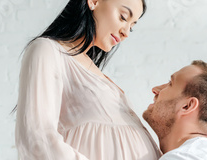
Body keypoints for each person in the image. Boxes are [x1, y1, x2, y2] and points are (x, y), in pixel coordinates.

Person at [14, 0, 161, 159]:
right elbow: (37, 136)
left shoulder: (96, 72)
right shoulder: (49, 50)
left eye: (131, 27)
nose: (126, 32)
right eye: (123, 17)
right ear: (94, 1)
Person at [143, 60, 207, 160]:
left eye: (170, 83)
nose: (155, 89)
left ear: (187, 106)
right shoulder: (202, 154)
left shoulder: (182, 157)